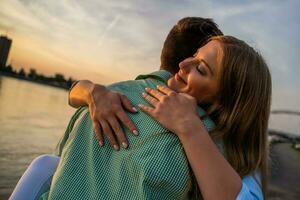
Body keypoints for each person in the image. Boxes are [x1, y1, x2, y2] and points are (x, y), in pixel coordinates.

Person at [10, 17, 224, 200]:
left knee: (46, 163)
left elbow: (57, 164)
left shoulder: (101, 98)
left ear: (164, 52)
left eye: (201, 66)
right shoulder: (212, 141)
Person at [66, 36, 271, 200]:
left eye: (200, 69)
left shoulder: (231, 158)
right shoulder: (131, 93)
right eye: (194, 55)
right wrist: (92, 91)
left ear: (227, 103)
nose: (183, 64)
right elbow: (74, 92)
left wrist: (189, 126)